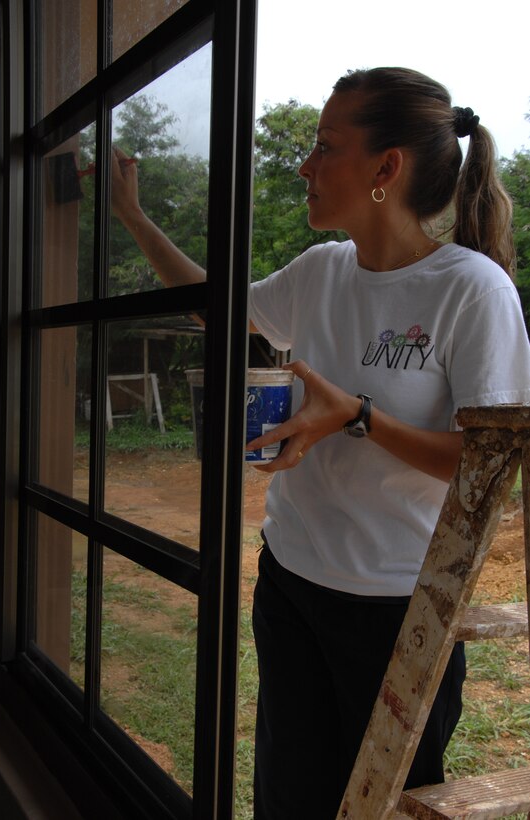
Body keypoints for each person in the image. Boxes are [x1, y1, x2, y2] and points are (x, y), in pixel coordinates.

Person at [111, 67, 530, 820]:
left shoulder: (470, 288)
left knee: (379, 806)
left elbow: (488, 468)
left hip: (399, 611)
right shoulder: (320, 271)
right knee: (287, 799)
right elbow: (217, 308)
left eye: (324, 146)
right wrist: (134, 217)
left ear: (385, 167)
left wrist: (359, 416)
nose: (304, 165)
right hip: (291, 585)